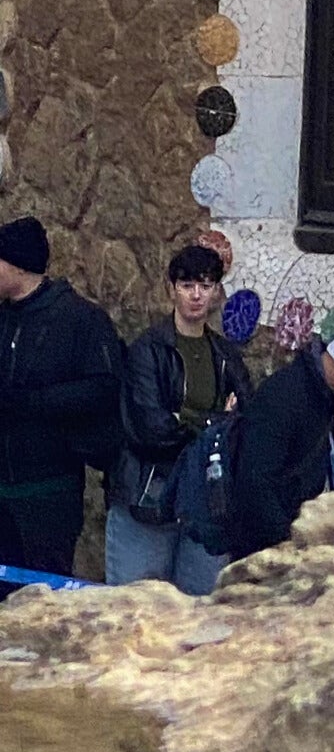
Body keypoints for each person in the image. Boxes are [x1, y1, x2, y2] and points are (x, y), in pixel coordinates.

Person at [108, 243, 252, 591]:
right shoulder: (149, 350)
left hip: (204, 496)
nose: (196, 295)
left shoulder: (225, 354)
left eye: (205, 285)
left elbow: (246, 418)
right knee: (135, 608)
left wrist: (186, 418)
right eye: (188, 286)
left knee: (199, 609)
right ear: (172, 289)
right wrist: (215, 421)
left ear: (217, 291)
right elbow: (151, 428)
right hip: (149, 494)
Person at [0, 215, 120, 592]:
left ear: (16, 265)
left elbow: (102, 388)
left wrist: (32, 403)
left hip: (49, 492)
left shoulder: (81, 320)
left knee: (42, 598)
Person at [227, 315, 334, 557]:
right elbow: (256, 480)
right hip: (264, 545)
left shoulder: (322, 396)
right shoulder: (286, 395)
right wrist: (287, 543)